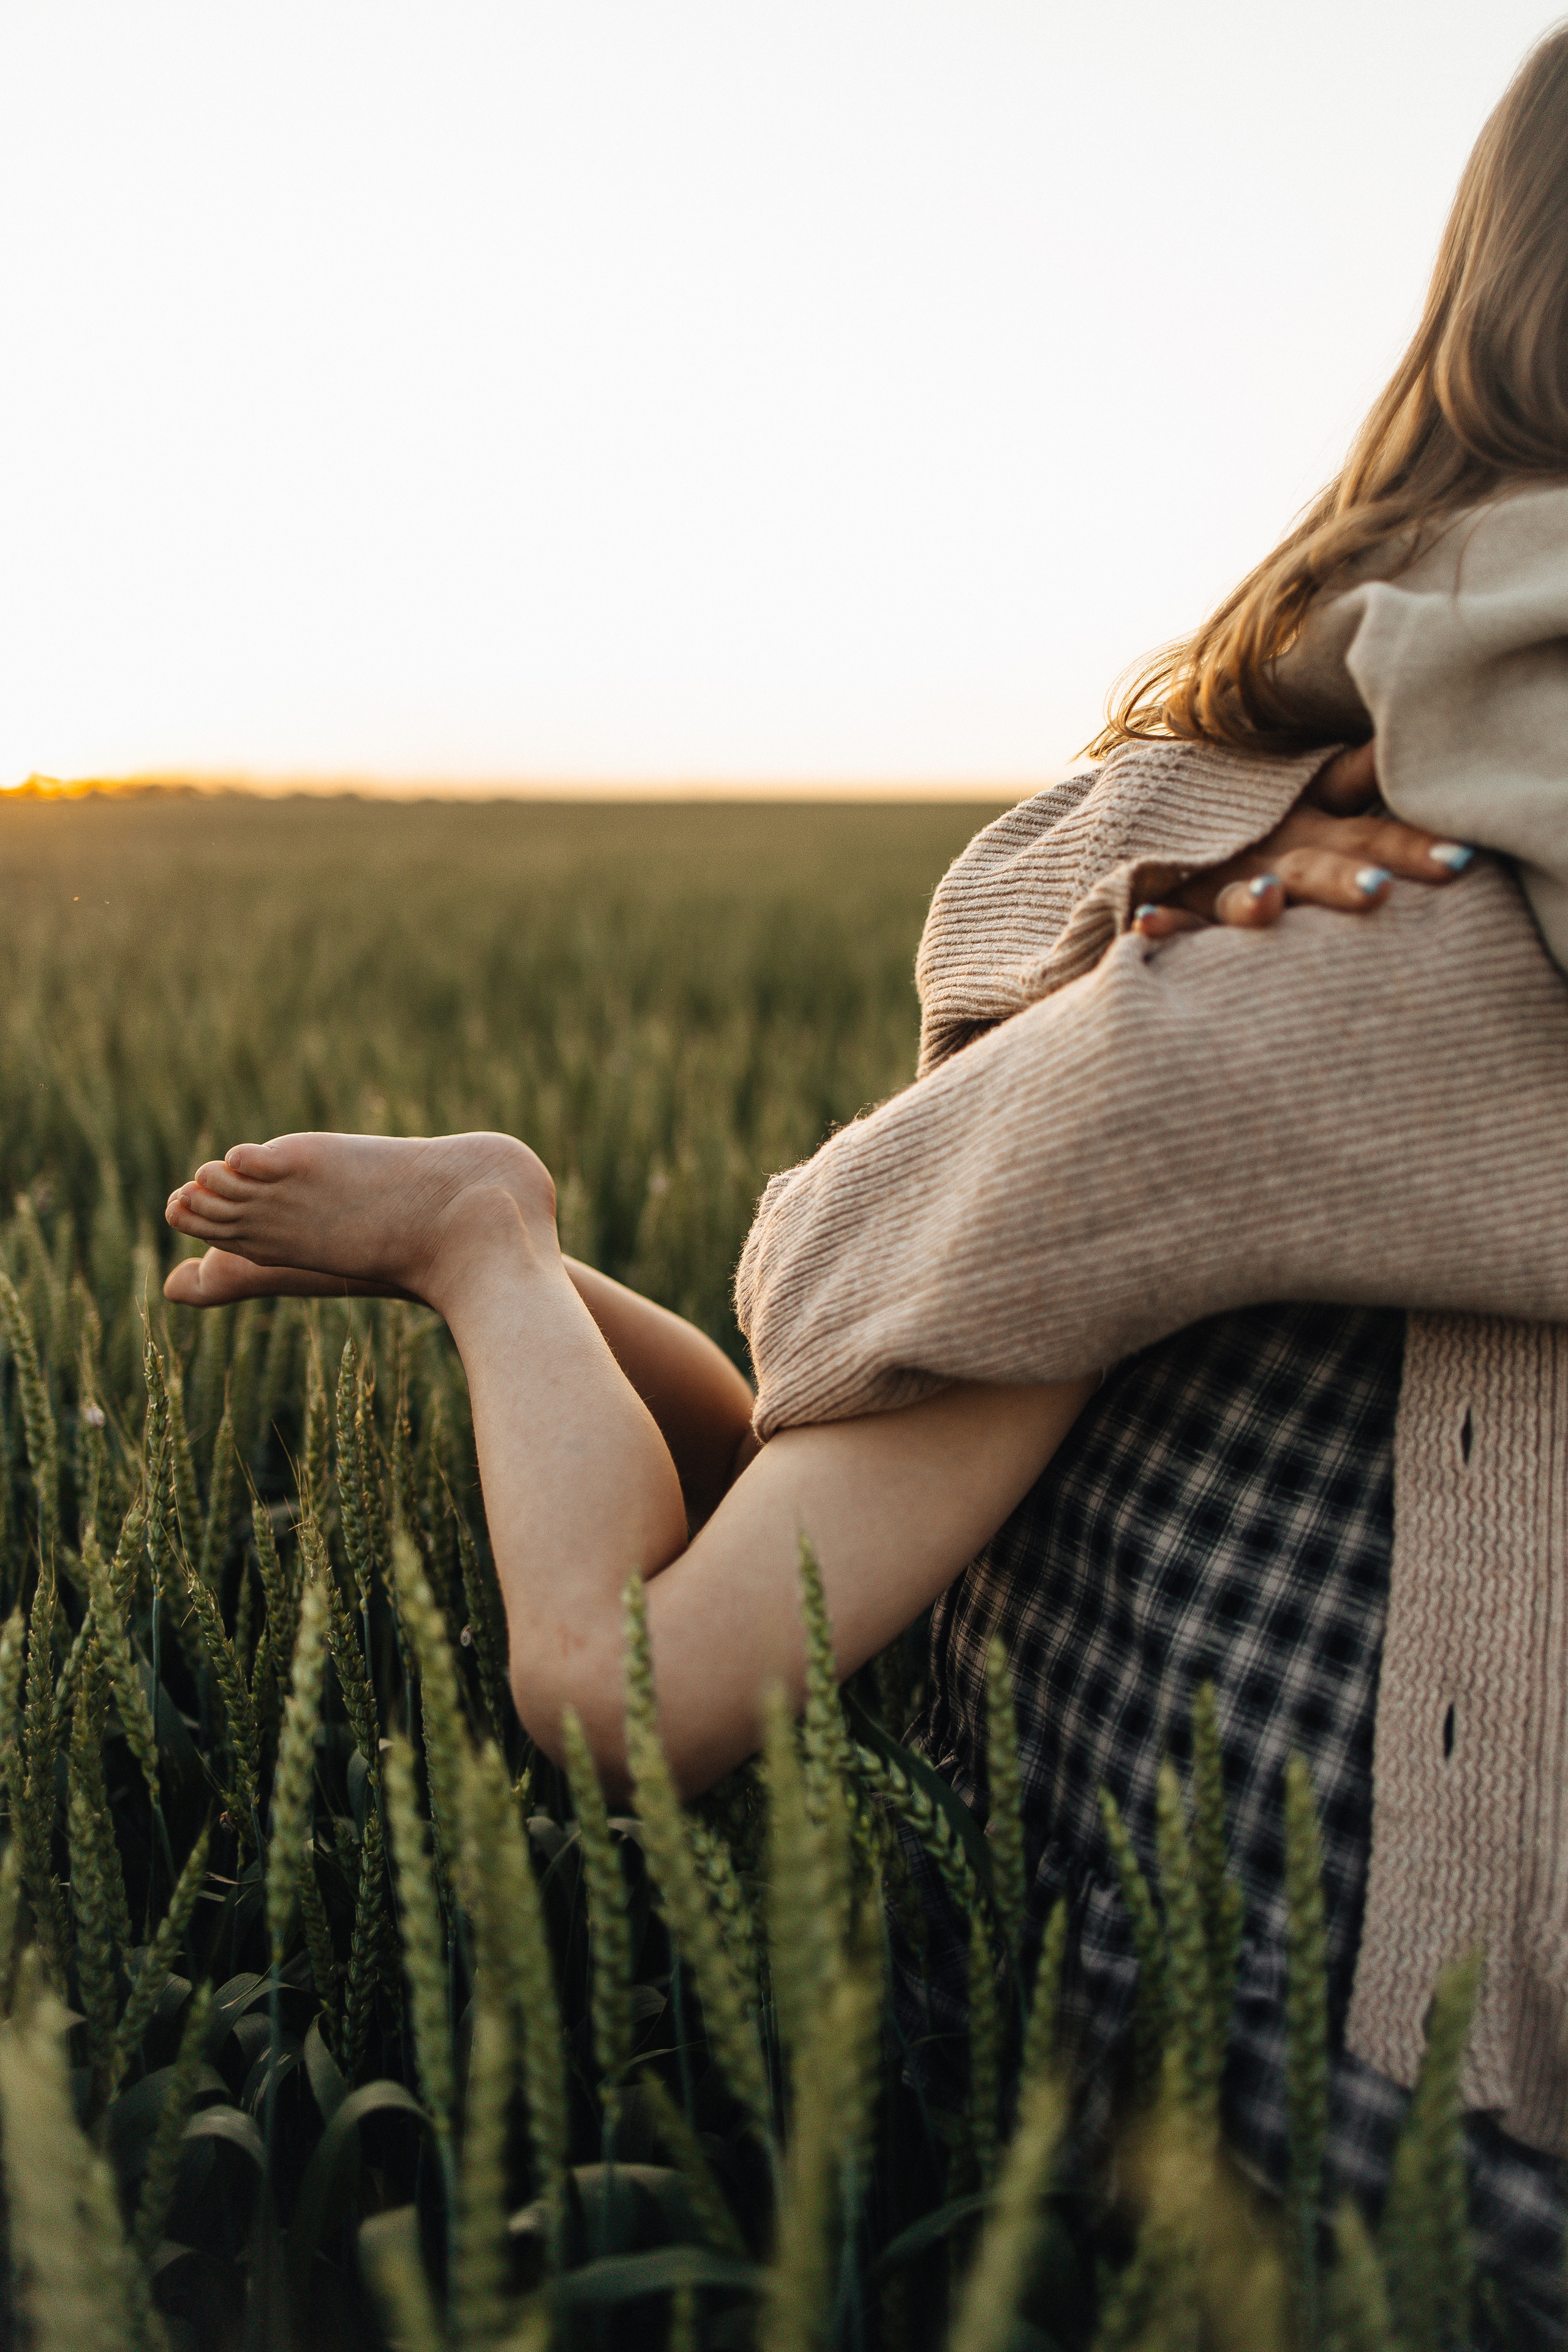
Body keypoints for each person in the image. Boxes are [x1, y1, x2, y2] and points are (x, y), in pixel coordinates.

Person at [165, 24, 1568, 2329]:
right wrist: (1201, 877)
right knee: (630, 1688)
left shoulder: (1334, 880)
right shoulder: (1331, 971)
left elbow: (885, 1254)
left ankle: (524, 1260)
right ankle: (491, 1242)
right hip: (1185, 1889)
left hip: (1129, 1701)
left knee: (821, 1514)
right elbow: (846, 1325)